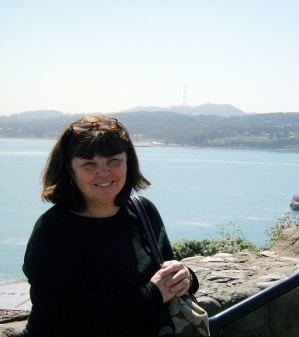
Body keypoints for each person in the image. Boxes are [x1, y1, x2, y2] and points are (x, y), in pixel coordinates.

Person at [22, 115, 199, 337]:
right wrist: (152, 294)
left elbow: (165, 272)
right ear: (70, 170)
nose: (104, 173)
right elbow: (67, 315)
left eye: (114, 161)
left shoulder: (143, 211)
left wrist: (186, 277)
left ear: (128, 163)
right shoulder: (54, 230)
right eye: (89, 164)